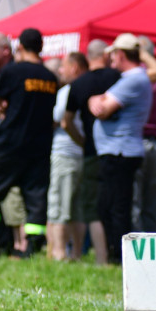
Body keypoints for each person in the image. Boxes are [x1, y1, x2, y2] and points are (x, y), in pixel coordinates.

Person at [0, 28, 58, 259]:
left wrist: (5, 106)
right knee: (35, 197)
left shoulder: (13, 71)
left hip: (11, 143)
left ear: (19, 47)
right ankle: (31, 249)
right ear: (41, 48)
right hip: (40, 146)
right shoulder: (51, 77)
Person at [88, 33, 152, 264]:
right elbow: (98, 102)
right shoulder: (132, 78)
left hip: (120, 152)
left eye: (113, 54)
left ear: (121, 54)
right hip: (119, 151)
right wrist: (93, 100)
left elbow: (102, 109)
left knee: (116, 208)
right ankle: (117, 255)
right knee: (111, 206)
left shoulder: (133, 79)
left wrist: (95, 101)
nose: (111, 59)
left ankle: (119, 257)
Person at [61, 39, 117, 265]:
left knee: (92, 206)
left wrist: (83, 142)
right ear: (105, 54)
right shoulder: (117, 78)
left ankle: (102, 257)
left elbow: (66, 122)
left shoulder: (79, 84)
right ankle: (117, 255)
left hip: (93, 151)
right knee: (117, 203)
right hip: (118, 149)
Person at [47, 52, 87, 261]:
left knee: (59, 206)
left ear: (75, 67)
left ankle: (59, 253)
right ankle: (77, 253)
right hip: (80, 155)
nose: (60, 71)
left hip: (65, 153)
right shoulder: (86, 88)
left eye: (64, 66)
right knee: (77, 207)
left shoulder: (67, 91)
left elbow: (58, 120)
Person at [131, 35, 156, 233]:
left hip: (139, 140)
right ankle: (155, 237)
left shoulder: (138, 77)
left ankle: (137, 239)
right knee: (155, 194)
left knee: (136, 194)